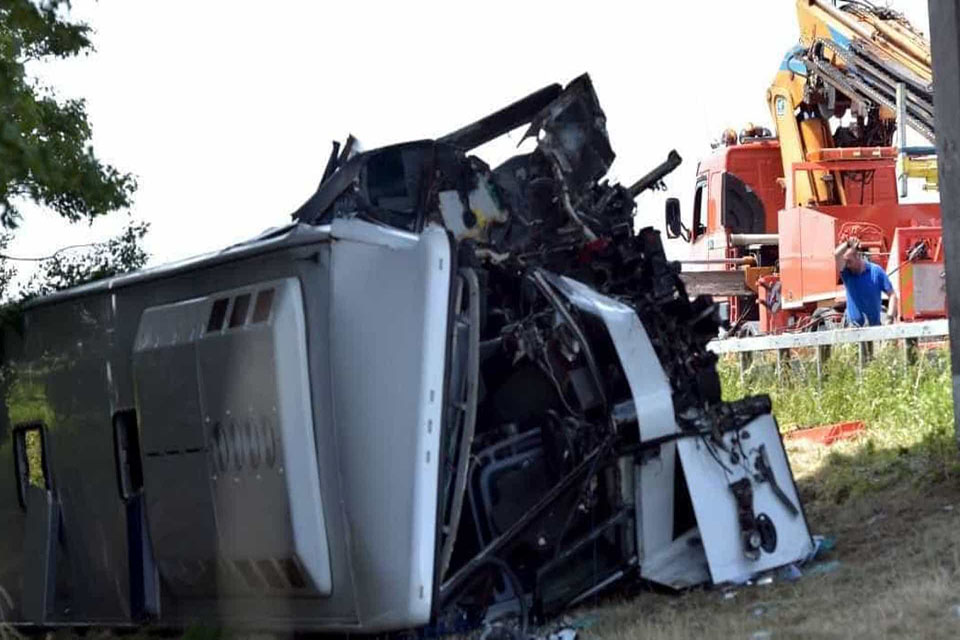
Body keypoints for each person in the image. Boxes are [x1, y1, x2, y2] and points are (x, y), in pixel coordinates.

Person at [834, 237, 898, 326]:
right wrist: (848, 243)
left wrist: (889, 318)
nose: (847, 265)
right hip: (853, 330)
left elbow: (892, 295)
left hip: (874, 329)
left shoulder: (876, 272)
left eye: (849, 261)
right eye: (845, 262)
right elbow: (836, 255)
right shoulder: (847, 274)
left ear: (858, 256)